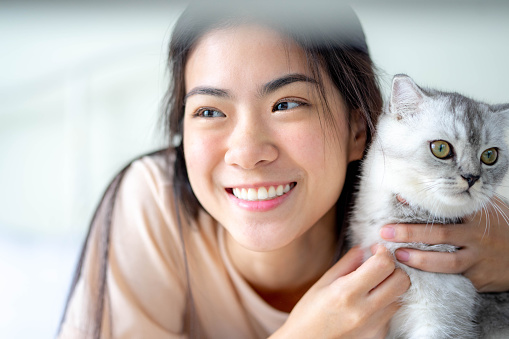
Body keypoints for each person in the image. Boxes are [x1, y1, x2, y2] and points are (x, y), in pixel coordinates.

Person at [57, 1, 509, 338]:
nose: (248, 151)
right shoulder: (151, 201)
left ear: (359, 128)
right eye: (210, 111)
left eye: (287, 103)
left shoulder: (447, 223)